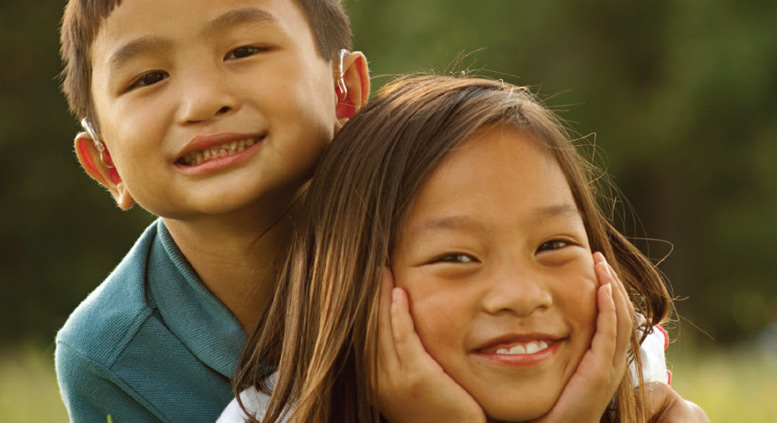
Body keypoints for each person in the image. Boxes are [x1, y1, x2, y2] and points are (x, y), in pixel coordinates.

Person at [222, 76, 710, 423]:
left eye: (555, 244)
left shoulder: (651, 407)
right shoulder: (274, 416)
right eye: (457, 258)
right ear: (354, 282)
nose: (522, 295)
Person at [54, 0, 369, 422]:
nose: (202, 102)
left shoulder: (436, 246)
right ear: (108, 164)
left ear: (344, 92)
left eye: (243, 51)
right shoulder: (109, 356)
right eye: (149, 78)